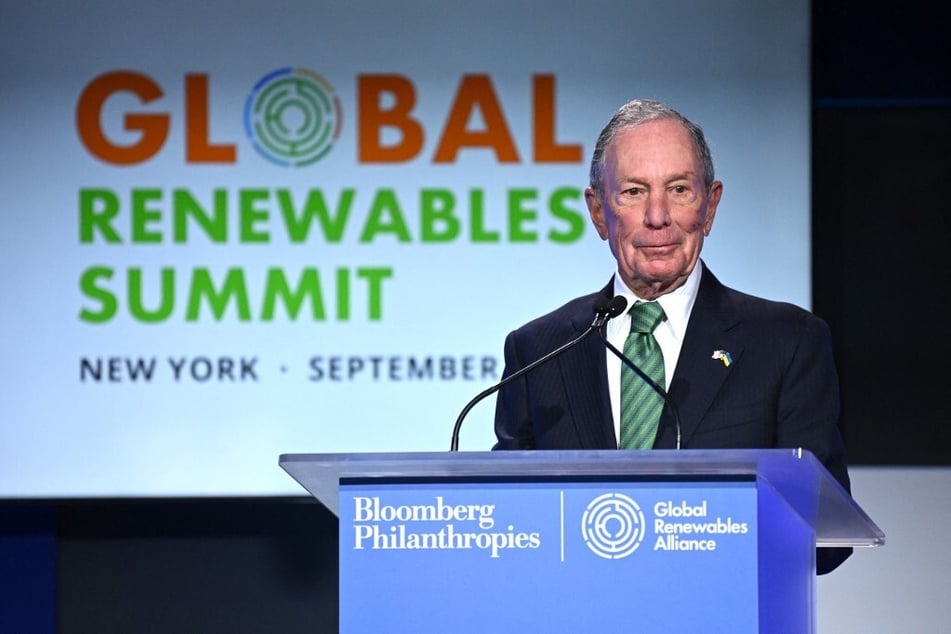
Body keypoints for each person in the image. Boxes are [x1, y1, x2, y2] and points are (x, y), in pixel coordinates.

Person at [492, 99, 851, 573]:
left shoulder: (787, 343)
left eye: (679, 189)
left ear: (710, 205)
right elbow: (510, 529)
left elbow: (824, 537)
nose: (657, 216)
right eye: (634, 192)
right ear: (599, 211)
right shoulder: (539, 350)